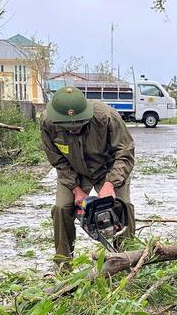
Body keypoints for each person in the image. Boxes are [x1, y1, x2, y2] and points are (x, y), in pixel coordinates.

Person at [41, 86, 135, 267]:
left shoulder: (107, 117)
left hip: (108, 169)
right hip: (74, 171)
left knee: (123, 205)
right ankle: (63, 263)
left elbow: (125, 153)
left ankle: (127, 260)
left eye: (78, 125)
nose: (74, 129)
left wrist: (110, 184)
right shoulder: (48, 123)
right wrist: (75, 189)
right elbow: (57, 160)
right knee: (61, 208)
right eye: (68, 127)